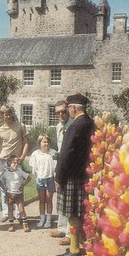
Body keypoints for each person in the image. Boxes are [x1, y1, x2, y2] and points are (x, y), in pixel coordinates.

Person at [54, 93, 95, 256]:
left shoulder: (76, 125)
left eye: (69, 107)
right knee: (79, 213)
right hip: (84, 173)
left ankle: (74, 249)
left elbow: (66, 153)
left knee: (72, 214)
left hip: (71, 175)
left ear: (73, 108)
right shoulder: (90, 123)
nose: (68, 110)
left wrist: (59, 176)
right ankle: (78, 245)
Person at [0, 105, 30, 221]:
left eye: (10, 113)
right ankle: (6, 213)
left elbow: (26, 143)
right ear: (1, 116)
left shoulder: (21, 126)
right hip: (4, 161)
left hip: (16, 161)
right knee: (4, 188)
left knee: (18, 186)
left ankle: (19, 214)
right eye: (5, 114)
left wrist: (23, 156)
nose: (8, 116)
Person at [51, 100, 73, 246]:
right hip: (61, 165)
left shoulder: (73, 126)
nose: (60, 114)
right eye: (57, 112)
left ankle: (71, 234)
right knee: (61, 197)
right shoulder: (59, 127)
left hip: (71, 167)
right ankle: (61, 228)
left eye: (63, 111)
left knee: (70, 200)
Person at [29, 134, 57, 228]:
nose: (46, 144)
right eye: (44, 142)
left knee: (49, 199)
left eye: (48, 142)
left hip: (50, 178)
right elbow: (34, 167)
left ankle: (48, 220)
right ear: (39, 143)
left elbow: (56, 166)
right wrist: (36, 175)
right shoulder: (35, 154)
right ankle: (42, 219)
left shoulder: (53, 153)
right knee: (42, 200)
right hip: (40, 179)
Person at [0, 155, 31, 232]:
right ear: (9, 163)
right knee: (10, 209)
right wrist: (4, 188)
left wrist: (22, 185)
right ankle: (11, 224)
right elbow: (0, 180)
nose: (16, 165)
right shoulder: (5, 173)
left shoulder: (19, 171)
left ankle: (25, 223)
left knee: (21, 209)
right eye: (14, 163)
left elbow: (29, 177)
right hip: (10, 194)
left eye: (17, 163)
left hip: (18, 193)